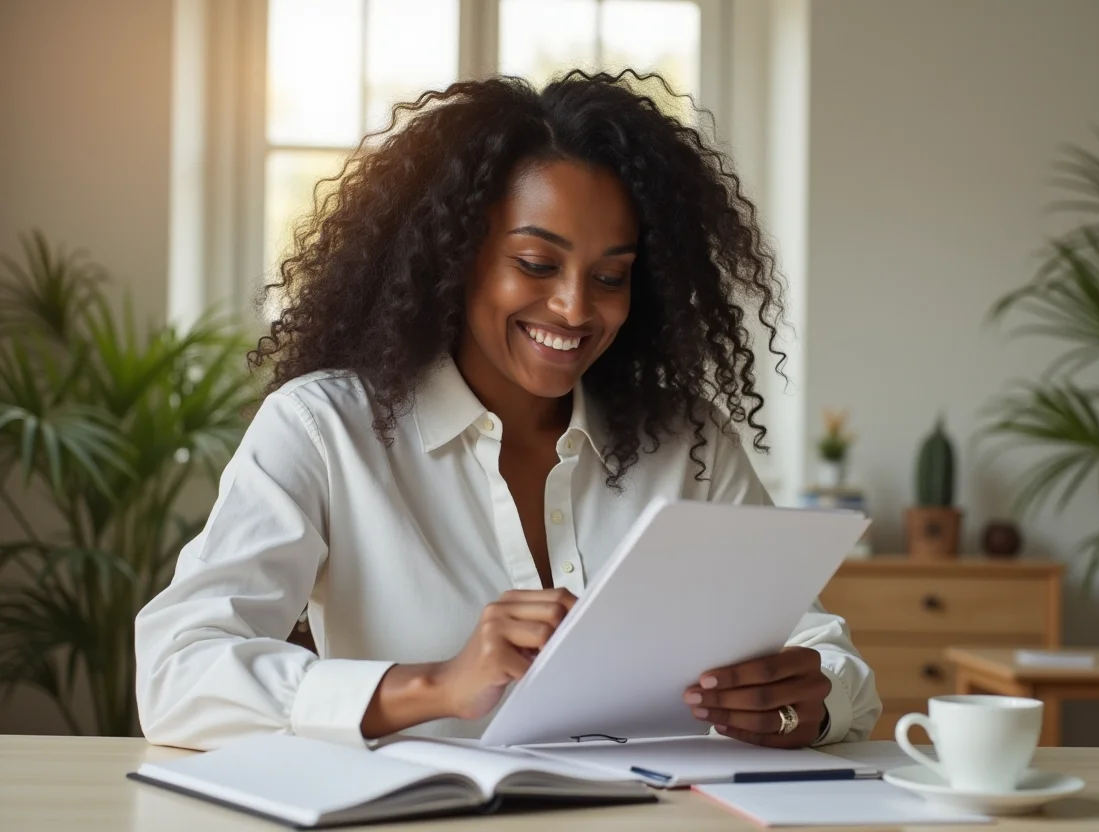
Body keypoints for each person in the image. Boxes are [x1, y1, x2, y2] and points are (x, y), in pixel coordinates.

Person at [134, 70, 880, 751]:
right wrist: (433, 685)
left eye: (611, 276)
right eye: (536, 264)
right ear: (454, 257)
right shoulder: (324, 431)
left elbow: (827, 652)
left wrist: (805, 702)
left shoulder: (686, 447)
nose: (574, 307)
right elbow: (176, 674)